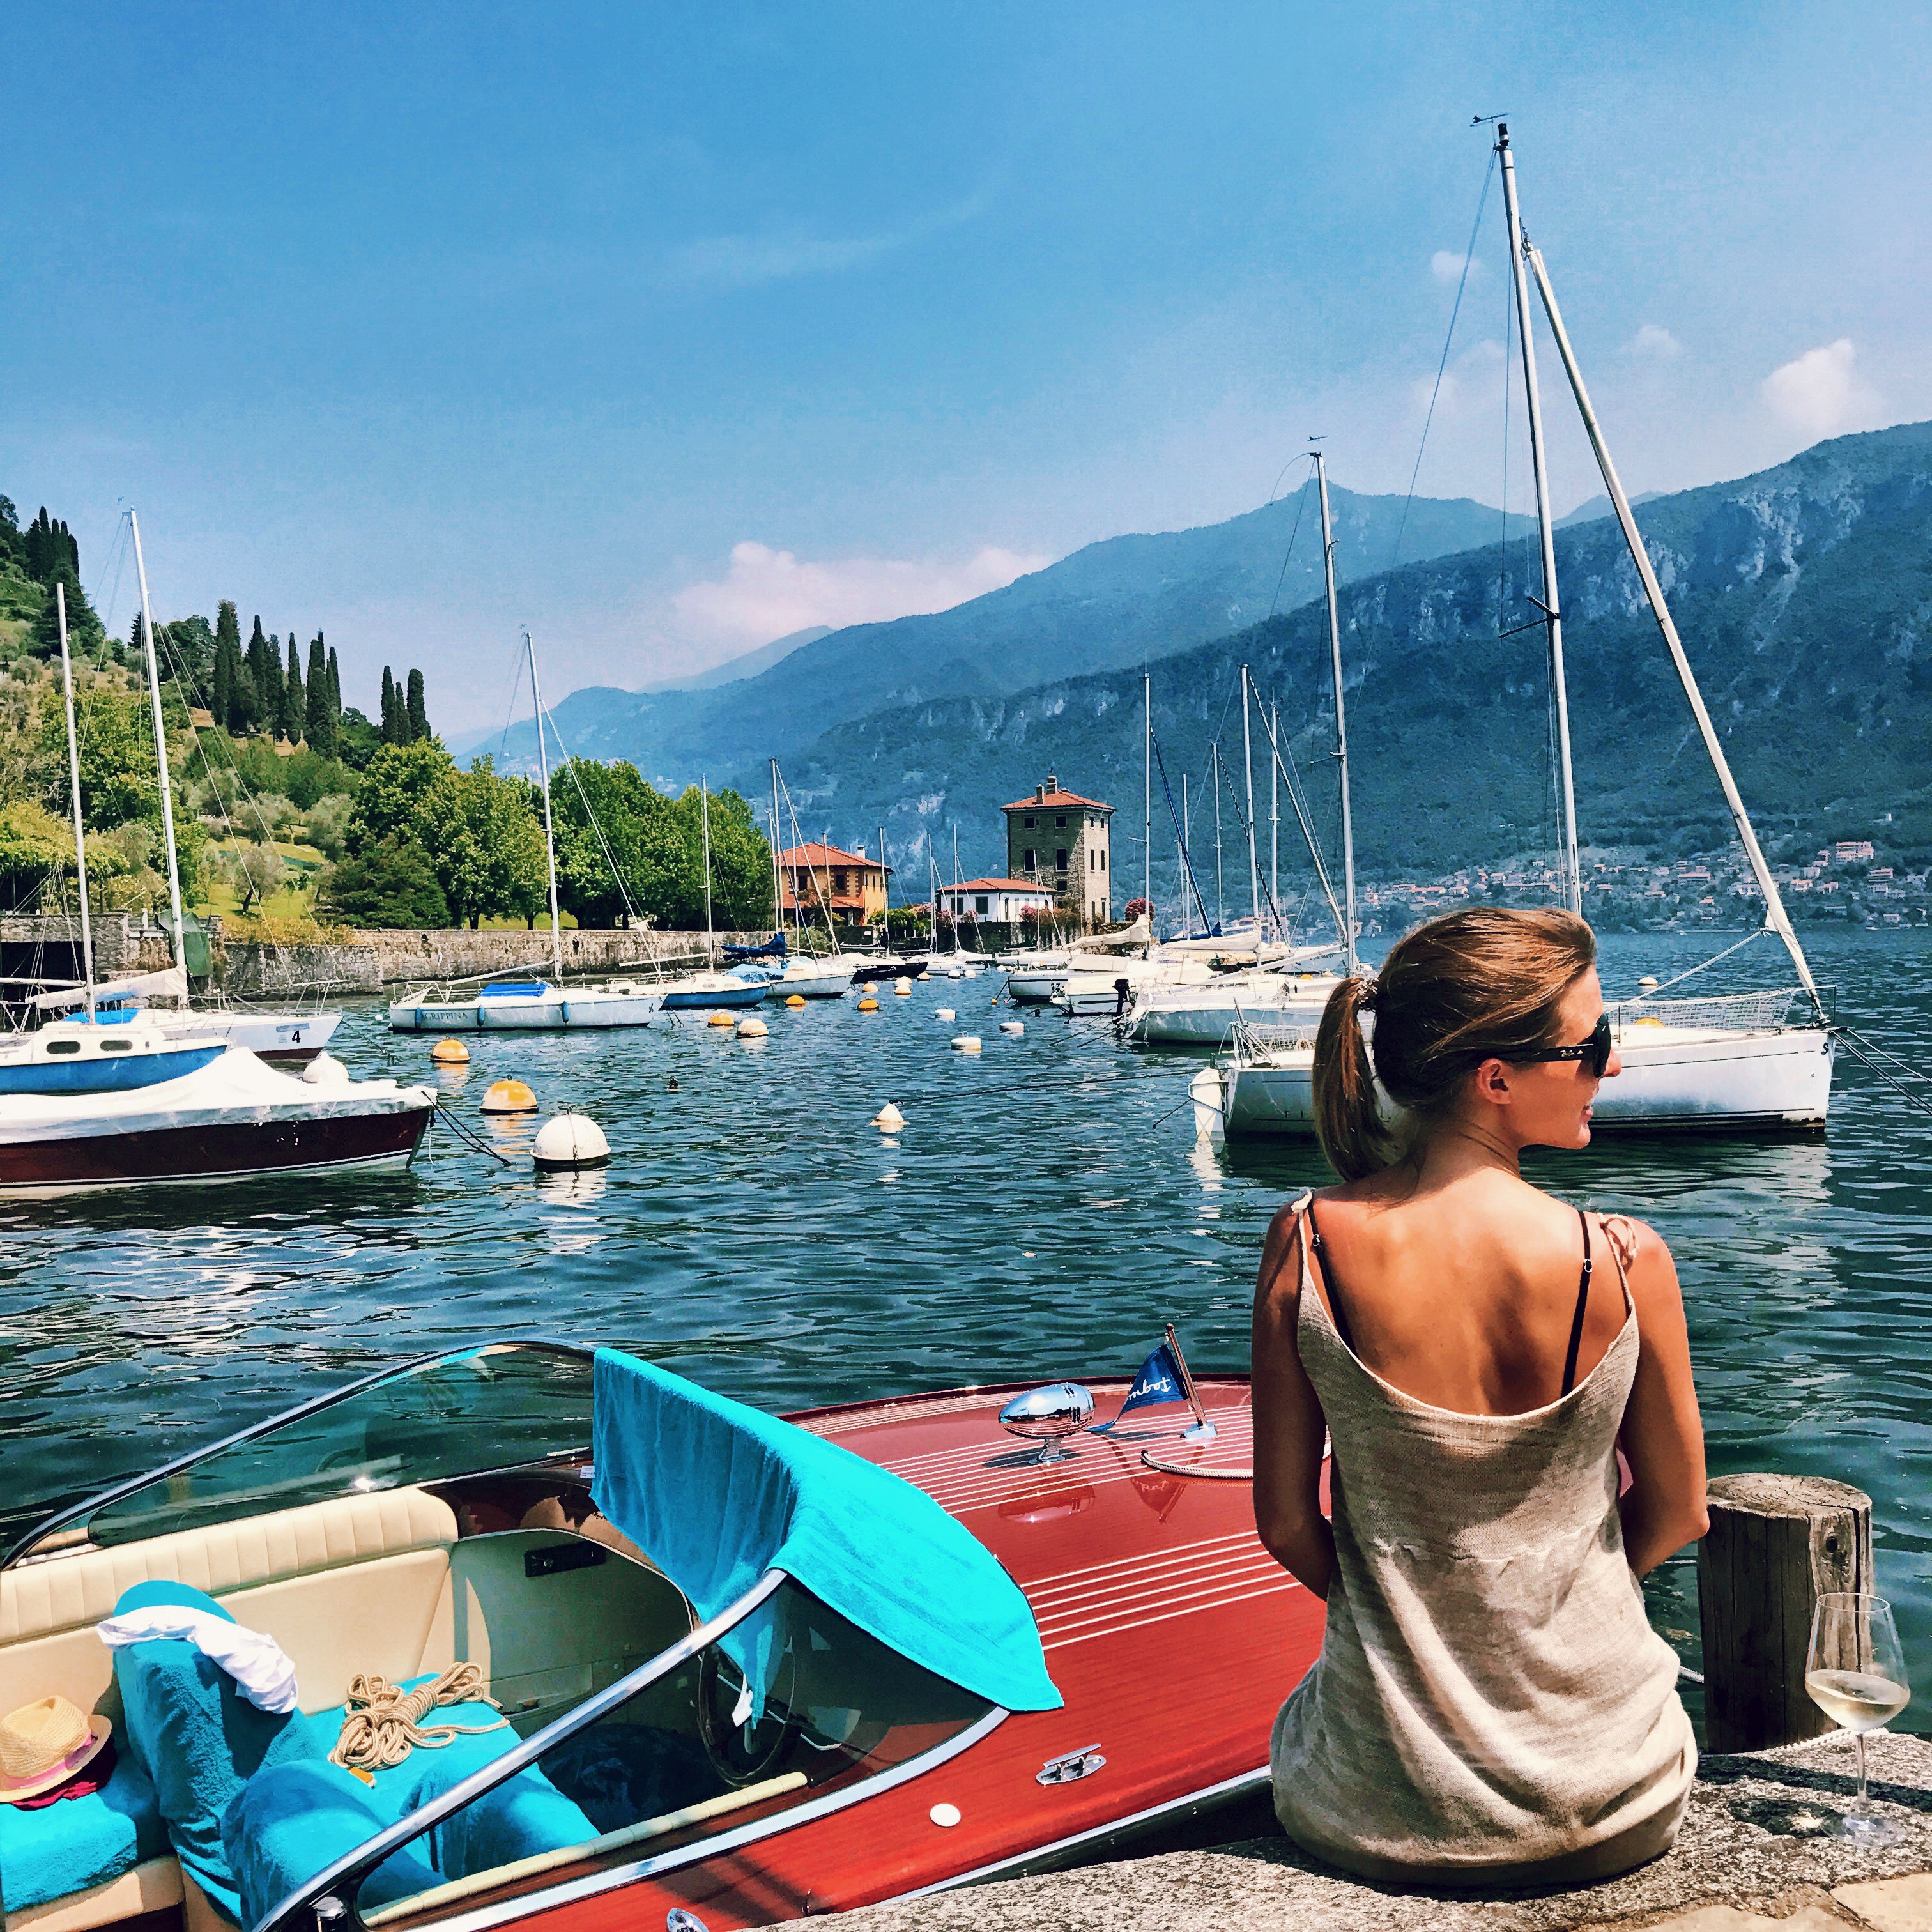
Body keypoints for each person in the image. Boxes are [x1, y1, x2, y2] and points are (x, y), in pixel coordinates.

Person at [1252, 906, 1706, 1886]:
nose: (1611, 1068)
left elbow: (1287, 1521)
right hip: (1613, 1796)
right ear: (1495, 1079)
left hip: (1370, 1806)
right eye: (1593, 1046)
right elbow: (1678, 1511)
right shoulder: (1625, 1263)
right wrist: (1552, 1608)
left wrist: (1407, 1619)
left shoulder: (1308, 1243)